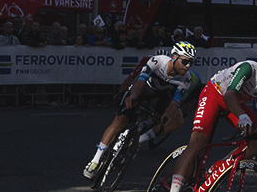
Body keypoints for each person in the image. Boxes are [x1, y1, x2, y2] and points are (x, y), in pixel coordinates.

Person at [160, 44, 257, 192]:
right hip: (215, 94)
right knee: (197, 143)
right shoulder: (248, 69)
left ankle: (218, 169)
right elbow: (229, 95)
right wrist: (242, 117)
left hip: (234, 104)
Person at [83, 41, 199, 179]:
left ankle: (139, 140)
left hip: (160, 97)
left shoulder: (186, 78)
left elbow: (173, 104)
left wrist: (167, 115)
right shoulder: (158, 61)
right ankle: (95, 160)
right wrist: (132, 96)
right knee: (120, 120)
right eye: (185, 61)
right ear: (174, 57)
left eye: (190, 63)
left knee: (178, 120)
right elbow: (139, 83)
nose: (187, 66)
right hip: (144, 90)